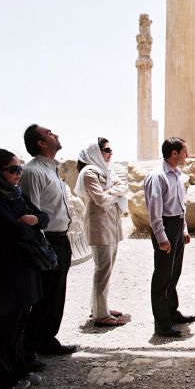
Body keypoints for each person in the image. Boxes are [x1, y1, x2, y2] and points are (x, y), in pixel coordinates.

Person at [0, 150, 47, 389]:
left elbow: (43, 217)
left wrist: (33, 222)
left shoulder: (14, 194)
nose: (18, 174)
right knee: (4, 324)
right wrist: (30, 227)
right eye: (12, 170)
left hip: (21, 265)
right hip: (2, 269)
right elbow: (12, 233)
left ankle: (16, 370)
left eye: (20, 169)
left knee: (19, 321)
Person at [19, 124, 77, 359]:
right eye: (49, 133)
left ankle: (46, 340)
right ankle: (29, 348)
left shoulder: (52, 169)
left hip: (62, 239)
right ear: (41, 143)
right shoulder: (33, 172)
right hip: (48, 241)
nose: (56, 134)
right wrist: (42, 248)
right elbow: (30, 211)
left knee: (56, 294)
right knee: (45, 297)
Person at [144, 137, 195, 337]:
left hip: (176, 225)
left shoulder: (176, 174)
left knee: (174, 273)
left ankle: (172, 313)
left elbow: (180, 205)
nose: (187, 155)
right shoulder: (156, 176)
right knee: (162, 276)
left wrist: (183, 228)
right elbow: (154, 210)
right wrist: (161, 236)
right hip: (165, 227)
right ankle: (162, 325)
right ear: (174, 153)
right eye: (185, 151)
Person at [75, 138, 130, 327]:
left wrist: (111, 190)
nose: (110, 153)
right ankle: (100, 314)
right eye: (106, 150)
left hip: (111, 224)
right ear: (96, 153)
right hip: (100, 226)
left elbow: (124, 187)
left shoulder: (106, 170)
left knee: (106, 270)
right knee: (102, 270)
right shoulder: (90, 172)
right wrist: (115, 192)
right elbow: (99, 199)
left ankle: (100, 307)